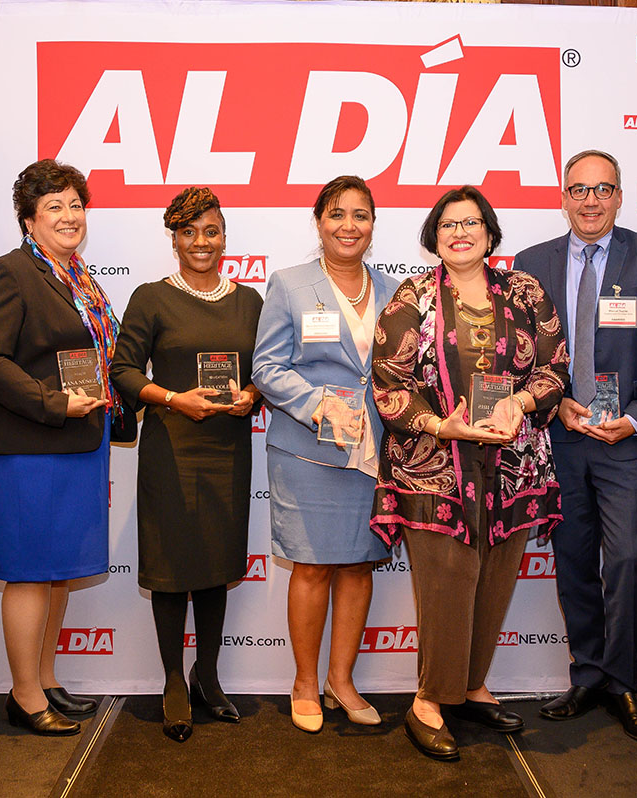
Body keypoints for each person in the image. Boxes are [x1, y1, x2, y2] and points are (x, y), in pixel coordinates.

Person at [371, 186, 569, 760]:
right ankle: (430, 700)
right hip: (434, 469)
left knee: (496, 577)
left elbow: (557, 366)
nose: (461, 233)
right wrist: (439, 426)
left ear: (489, 232)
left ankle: (472, 684)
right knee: (447, 584)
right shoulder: (413, 298)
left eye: (472, 223)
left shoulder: (524, 291)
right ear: (435, 236)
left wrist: (523, 404)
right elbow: (389, 382)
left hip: (513, 463)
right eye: (449, 224)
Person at [514, 150, 637, 743]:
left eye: (602, 189)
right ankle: (586, 674)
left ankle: (624, 681)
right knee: (574, 561)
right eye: (579, 189)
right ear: (564, 196)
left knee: (628, 562)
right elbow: (523, 354)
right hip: (559, 437)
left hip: (625, 442)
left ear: (619, 195)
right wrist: (552, 401)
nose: (590, 200)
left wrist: (636, 420)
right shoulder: (531, 262)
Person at [0, 159, 128, 736]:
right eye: (53, 206)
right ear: (28, 219)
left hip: (82, 443)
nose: (68, 215)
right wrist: (53, 402)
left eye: (75, 204)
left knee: (58, 572)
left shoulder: (79, 278)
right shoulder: (8, 272)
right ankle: (24, 693)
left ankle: (48, 679)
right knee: (31, 573)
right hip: (31, 447)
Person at [111, 187, 263, 742]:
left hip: (227, 449)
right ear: (174, 238)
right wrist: (175, 398)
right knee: (173, 567)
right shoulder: (151, 298)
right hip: (171, 449)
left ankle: (209, 676)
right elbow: (124, 371)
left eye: (211, 231)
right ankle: (174, 679)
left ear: (225, 237)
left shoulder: (249, 302)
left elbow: (267, 368)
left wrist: (251, 393)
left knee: (216, 562)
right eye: (188, 232)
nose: (201, 242)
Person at [252, 176, 400, 733]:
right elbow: (265, 368)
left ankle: (342, 679)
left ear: (372, 225)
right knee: (312, 566)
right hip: (308, 452)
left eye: (361, 216)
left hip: (373, 452)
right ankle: (305, 682)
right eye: (337, 214)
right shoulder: (290, 285)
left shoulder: (396, 291)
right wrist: (318, 404)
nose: (349, 226)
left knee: (360, 564)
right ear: (319, 222)